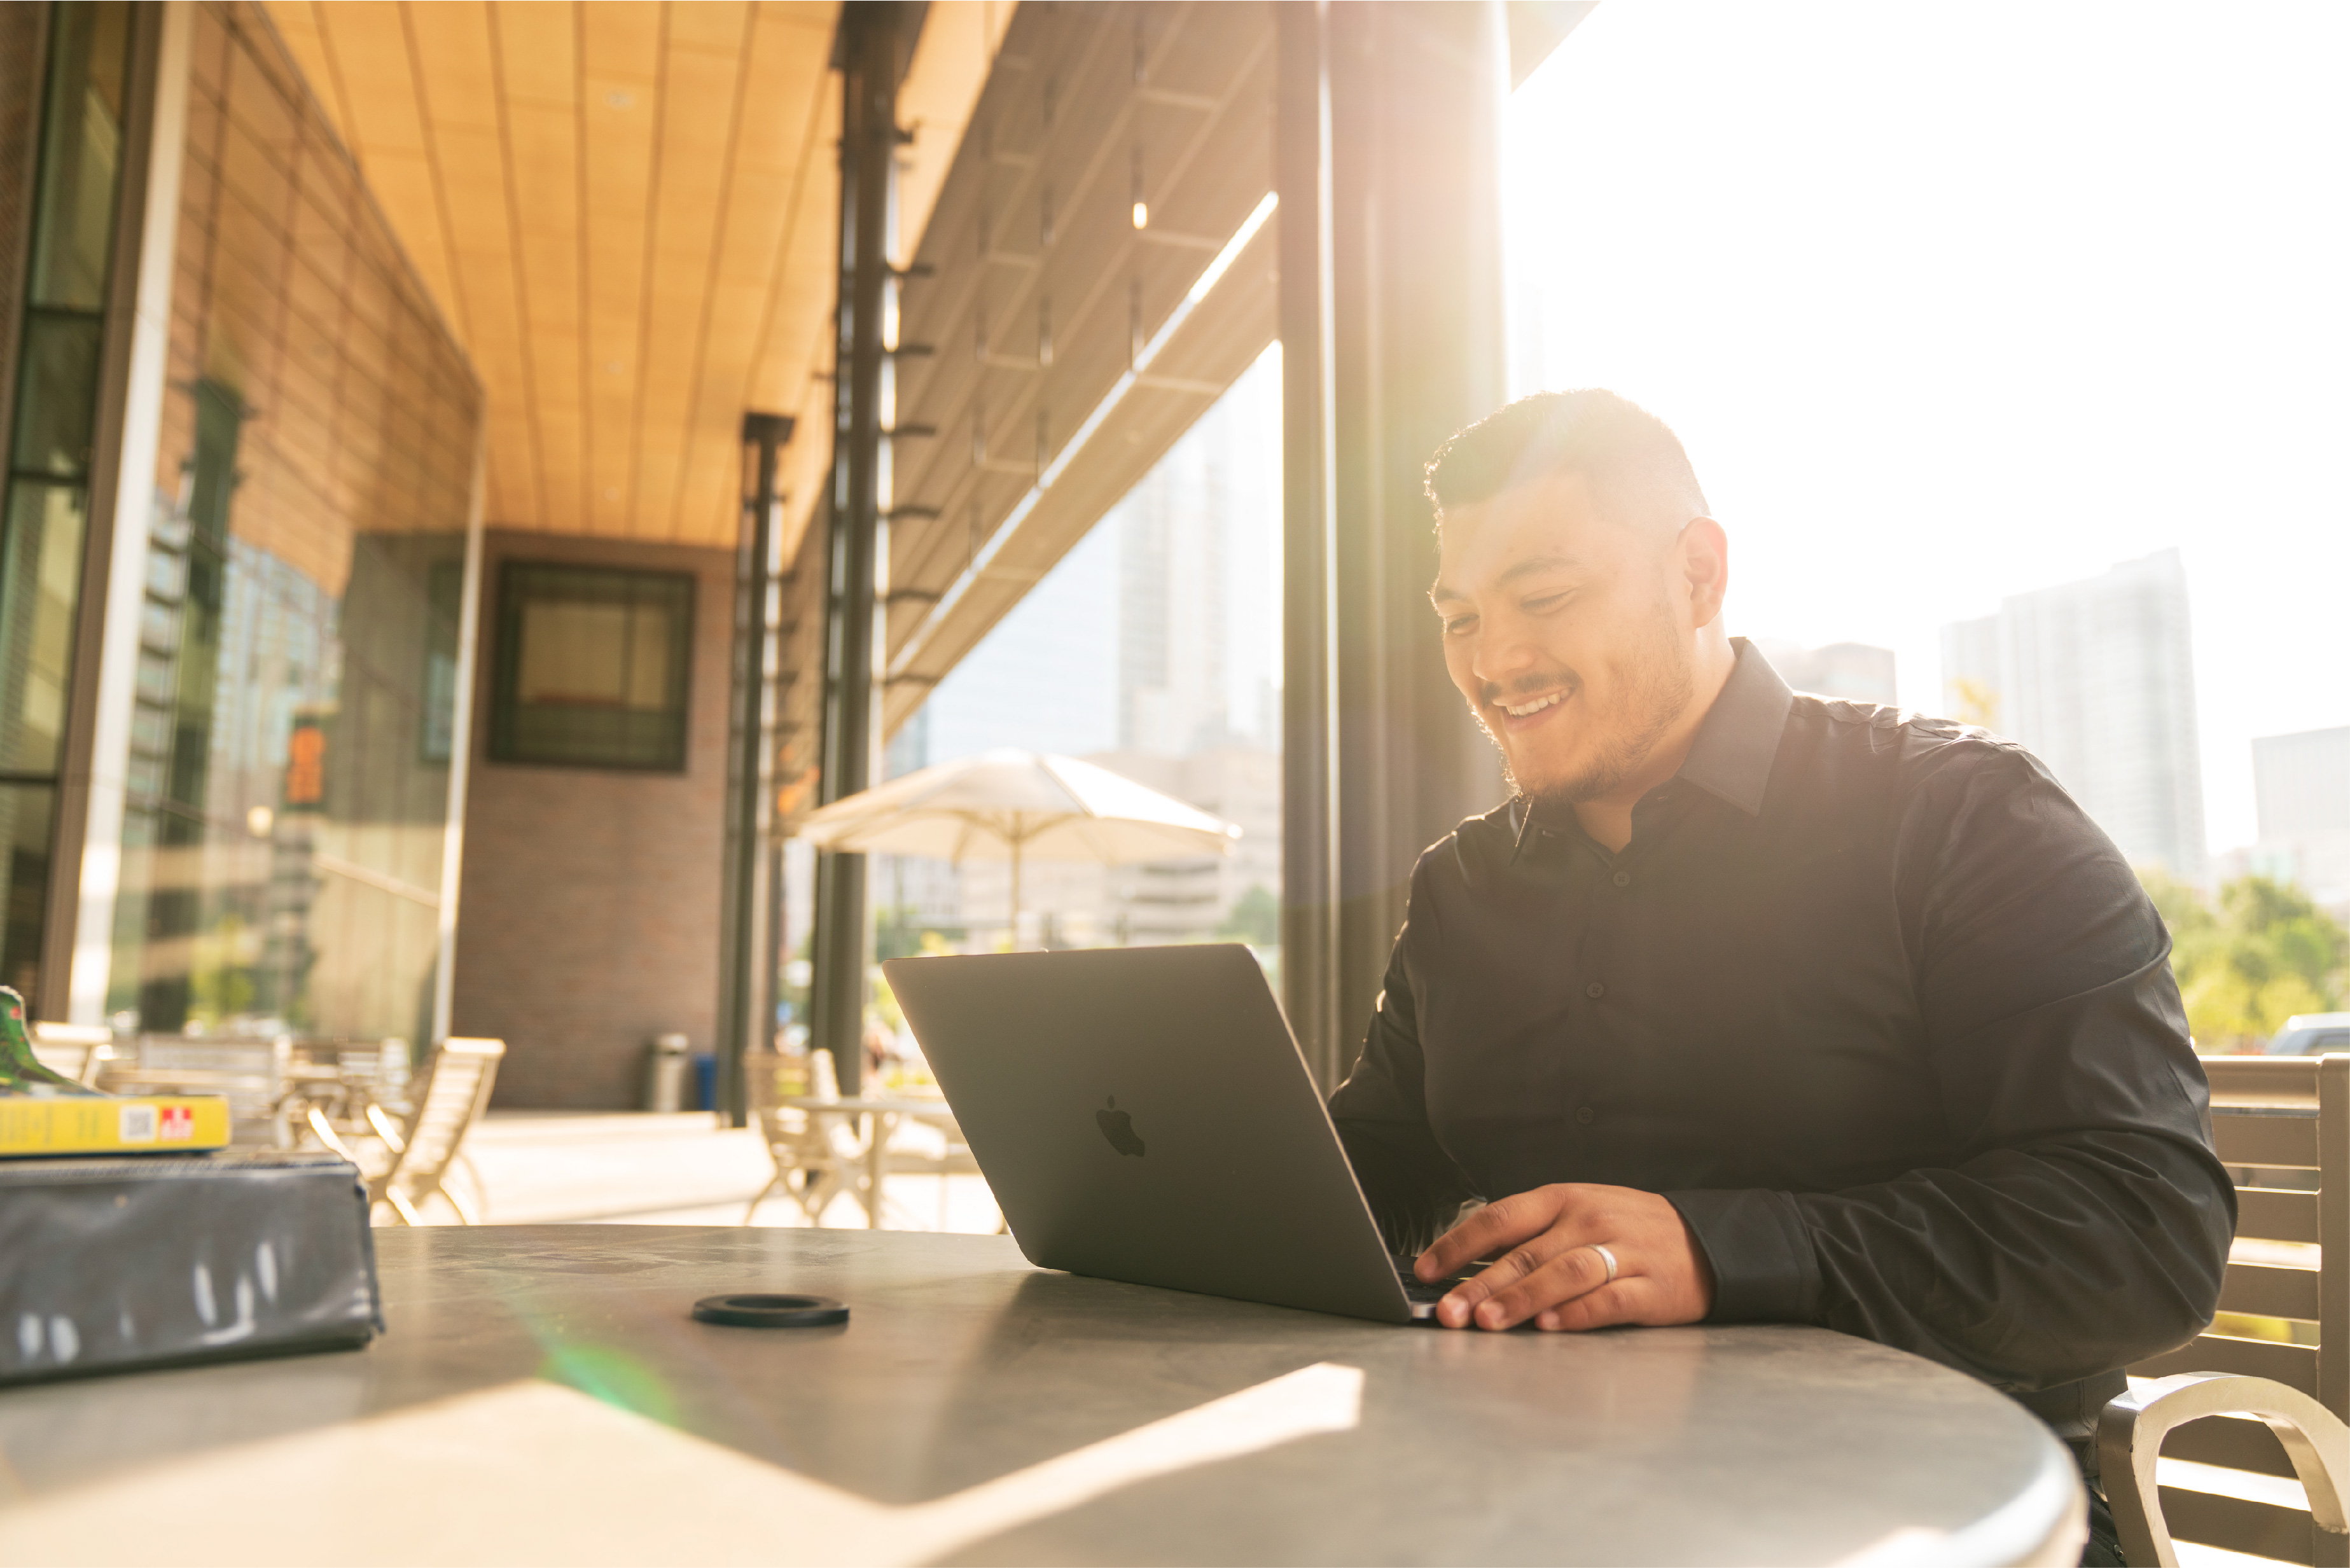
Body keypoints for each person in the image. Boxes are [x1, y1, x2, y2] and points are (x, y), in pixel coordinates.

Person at [1326, 389, 2232, 1565]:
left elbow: (2145, 1230)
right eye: (1460, 616)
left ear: (1699, 577)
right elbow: (1377, 1164)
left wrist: (1720, 1249)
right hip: (1528, 1501)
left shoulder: (1961, 821)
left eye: (1543, 597)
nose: (1495, 660)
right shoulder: (1461, 888)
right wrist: (1205, 1191)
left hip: (1932, 1516)